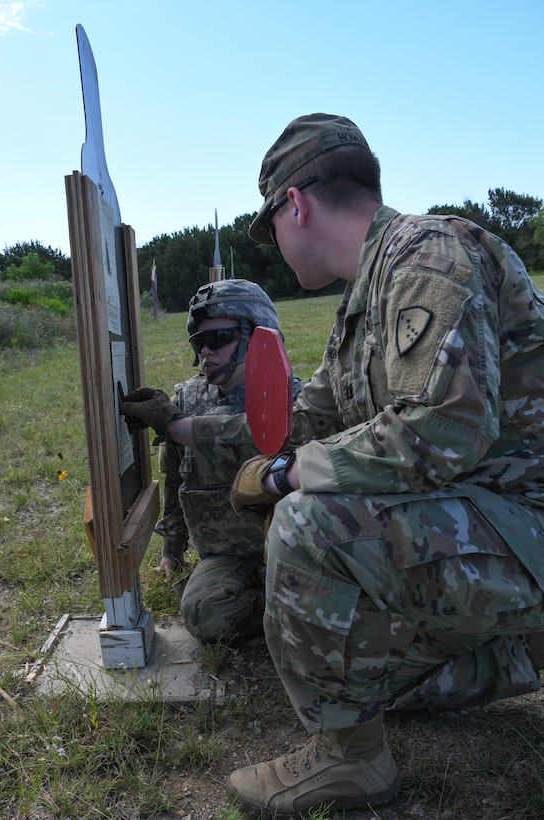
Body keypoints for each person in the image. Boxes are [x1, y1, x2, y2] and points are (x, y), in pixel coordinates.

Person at [218, 114, 544, 816]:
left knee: (310, 522)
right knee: (354, 674)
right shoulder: (362, 306)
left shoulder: (427, 254)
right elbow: (314, 422)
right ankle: (516, 653)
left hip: (524, 523)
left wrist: (285, 477)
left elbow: (441, 430)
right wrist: (223, 444)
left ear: (294, 204)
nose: (275, 242)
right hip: (479, 524)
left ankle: (351, 763)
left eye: (271, 222)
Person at [120, 278, 302, 644]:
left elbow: (257, 430)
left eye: (219, 339)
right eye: (198, 342)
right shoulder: (185, 401)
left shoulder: (296, 398)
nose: (206, 352)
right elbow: (175, 482)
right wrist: (172, 552)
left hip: (294, 552)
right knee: (206, 612)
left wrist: (179, 427)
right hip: (228, 556)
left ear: (257, 336)